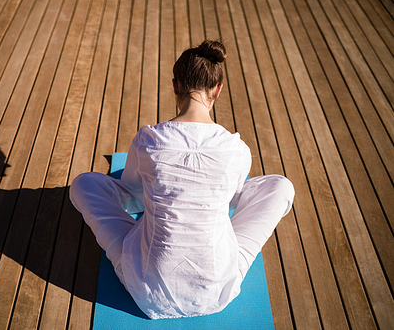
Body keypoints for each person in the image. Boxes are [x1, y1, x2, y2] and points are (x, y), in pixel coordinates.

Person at [70, 40, 294, 319]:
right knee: (281, 186)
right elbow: (233, 200)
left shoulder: (149, 139)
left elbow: (130, 188)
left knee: (83, 184)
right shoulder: (236, 149)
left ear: (175, 86)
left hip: (146, 290)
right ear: (218, 90)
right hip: (217, 291)